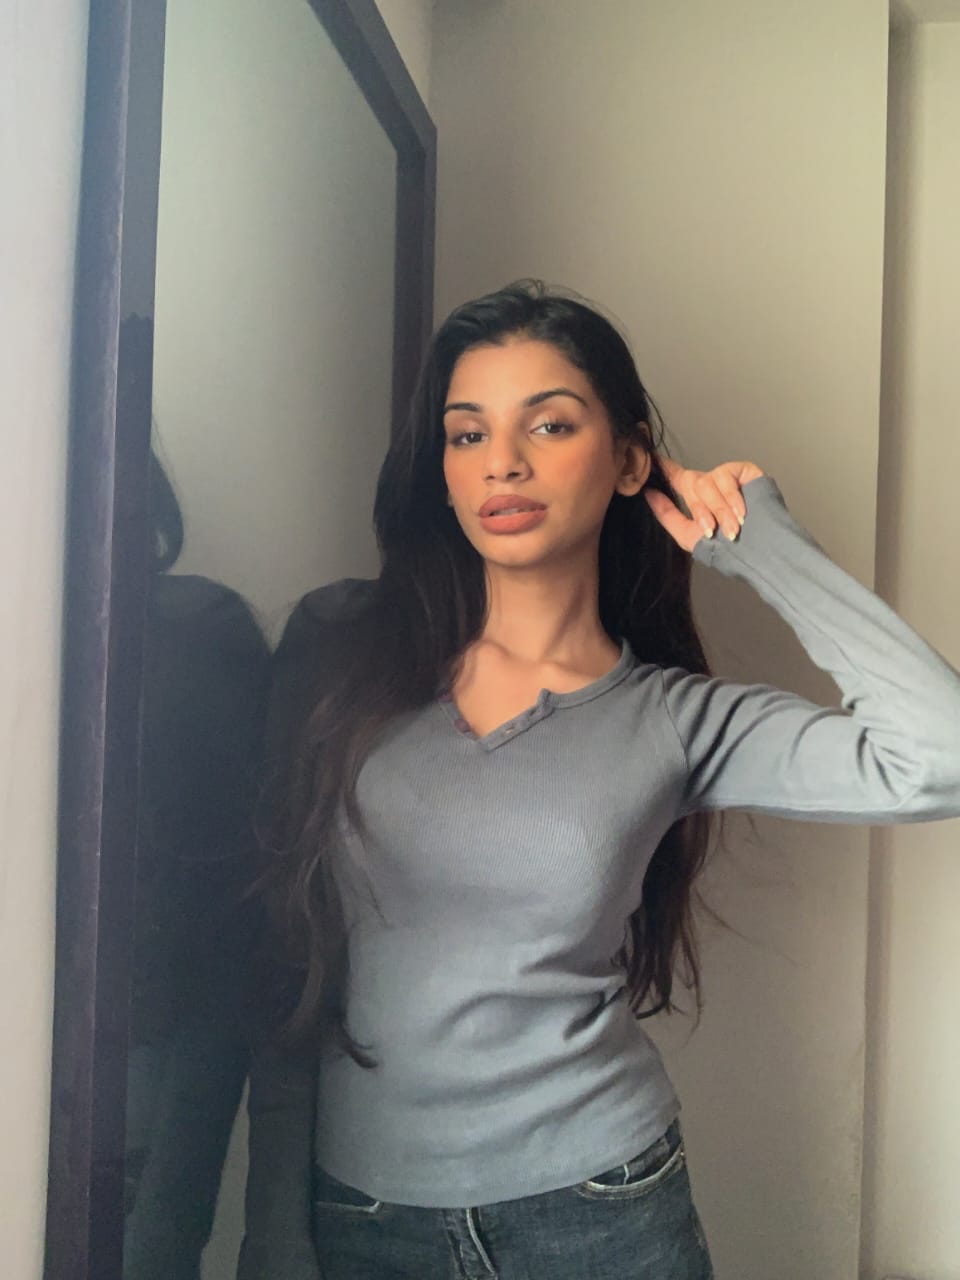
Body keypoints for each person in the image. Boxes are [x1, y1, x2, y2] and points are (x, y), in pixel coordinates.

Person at [237, 279, 960, 1280]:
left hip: (600, 1208)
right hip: (365, 1212)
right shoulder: (342, 652)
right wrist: (274, 1233)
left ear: (628, 460)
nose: (503, 461)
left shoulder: (676, 717)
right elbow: (285, 953)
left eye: (550, 423)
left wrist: (761, 543)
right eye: (467, 434)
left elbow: (938, 755)